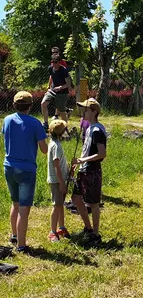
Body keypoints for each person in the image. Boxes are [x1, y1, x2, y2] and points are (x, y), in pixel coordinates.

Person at [2, 91, 48, 252]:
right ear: (30, 105)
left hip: (8, 166)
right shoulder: (35, 123)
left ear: (14, 105)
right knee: (24, 208)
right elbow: (44, 150)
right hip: (26, 169)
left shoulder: (7, 120)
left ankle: (14, 235)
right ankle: (22, 245)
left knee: (14, 203)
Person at [72, 98, 107, 244]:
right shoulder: (89, 128)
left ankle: (96, 235)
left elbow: (101, 154)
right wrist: (79, 162)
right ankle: (88, 227)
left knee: (93, 203)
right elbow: (87, 149)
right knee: (75, 198)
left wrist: (83, 161)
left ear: (94, 112)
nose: (83, 112)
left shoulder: (98, 130)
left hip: (92, 171)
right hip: (84, 169)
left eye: (86, 109)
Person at [47, 119, 70, 242]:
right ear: (62, 133)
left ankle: (61, 228)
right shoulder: (56, 146)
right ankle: (52, 232)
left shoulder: (52, 142)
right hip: (57, 181)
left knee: (60, 205)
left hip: (59, 180)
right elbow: (56, 165)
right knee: (56, 206)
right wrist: (61, 183)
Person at [41, 54, 72, 132]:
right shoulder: (50, 68)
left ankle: (65, 129)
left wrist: (60, 87)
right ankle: (45, 124)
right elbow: (51, 76)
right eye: (52, 62)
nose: (53, 64)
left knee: (62, 111)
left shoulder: (63, 70)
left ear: (59, 62)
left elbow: (68, 83)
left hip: (62, 92)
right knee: (43, 103)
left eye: (55, 62)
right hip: (53, 90)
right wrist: (49, 86)